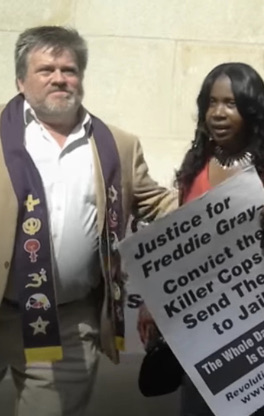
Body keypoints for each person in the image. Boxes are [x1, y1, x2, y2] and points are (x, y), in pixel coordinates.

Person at [0, 26, 176, 416]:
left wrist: (231, 208)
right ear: (20, 80)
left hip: (66, 322)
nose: (60, 78)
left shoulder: (118, 145)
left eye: (70, 69)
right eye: (46, 70)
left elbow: (160, 203)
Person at [138, 62, 264, 415]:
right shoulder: (197, 161)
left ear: (252, 110)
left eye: (230, 104)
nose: (218, 114)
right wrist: (155, 300)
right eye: (211, 103)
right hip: (206, 325)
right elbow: (181, 245)